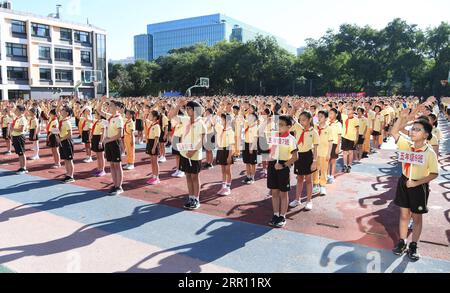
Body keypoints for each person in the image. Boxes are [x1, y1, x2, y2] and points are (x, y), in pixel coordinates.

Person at [391, 105, 439, 262]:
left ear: (426, 135)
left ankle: (413, 245)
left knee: (417, 218)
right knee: (404, 215)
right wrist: (402, 118)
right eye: (412, 129)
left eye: (417, 130)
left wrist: (417, 182)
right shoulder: (406, 145)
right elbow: (393, 132)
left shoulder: (429, 152)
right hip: (404, 182)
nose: (412, 132)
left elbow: (434, 173)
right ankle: (402, 241)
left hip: (419, 186)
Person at [168, 99, 206, 210]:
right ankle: (190, 197)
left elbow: (203, 140)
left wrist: (193, 151)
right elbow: (171, 117)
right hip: (184, 153)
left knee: (195, 176)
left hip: (194, 154)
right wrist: (178, 106)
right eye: (187, 108)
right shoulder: (185, 120)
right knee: (188, 175)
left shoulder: (200, 123)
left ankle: (196, 199)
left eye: (189, 109)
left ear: (195, 110)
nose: (187, 110)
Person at [267, 115, 298, 228]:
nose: (278, 126)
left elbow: (295, 156)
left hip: (283, 166)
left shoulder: (291, 139)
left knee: (283, 193)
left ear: (289, 127)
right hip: (273, 164)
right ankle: (275, 214)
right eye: (278, 124)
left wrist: (284, 165)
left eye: (281, 125)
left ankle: (282, 216)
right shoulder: (274, 136)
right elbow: (270, 150)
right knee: (274, 192)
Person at [290, 111, 319, 211]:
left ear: (309, 120)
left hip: (308, 156)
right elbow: (290, 118)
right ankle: (297, 199)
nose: (301, 122)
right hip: (298, 155)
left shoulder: (314, 132)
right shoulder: (298, 127)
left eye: (304, 120)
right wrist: (293, 108)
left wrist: (314, 161)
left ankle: (309, 201)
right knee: (299, 178)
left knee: (308, 180)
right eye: (300, 120)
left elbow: (315, 148)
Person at [97, 98, 125, 195]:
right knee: (112, 165)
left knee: (117, 165)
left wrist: (108, 140)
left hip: (114, 142)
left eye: (111, 105)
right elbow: (98, 110)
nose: (109, 107)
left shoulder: (119, 118)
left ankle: (119, 186)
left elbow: (120, 134)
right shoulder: (109, 117)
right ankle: (115, 184)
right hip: (108, 142)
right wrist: (102, 101)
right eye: (109, 105)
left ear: (116, 107)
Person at [313, 110, 333, 196]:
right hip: (315, 153)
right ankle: (315, 184)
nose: (319, 118)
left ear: (325, 118)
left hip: (324, 153)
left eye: (321, 116)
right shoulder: (314, 127)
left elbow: (330, 142)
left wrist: (329, 153)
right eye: (318, 116)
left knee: (324, 170)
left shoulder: (329, 128)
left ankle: (323, 186)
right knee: (315, 169)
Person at [215, 113, 235, 196]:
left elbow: (231, 145)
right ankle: (223, 186)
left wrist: (229, 156)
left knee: (228, 170)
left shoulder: (230, 131)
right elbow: (214, 122)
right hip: (221, 149)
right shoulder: (221, 128)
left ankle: (228, 187)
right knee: (223, 170)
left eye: (224, 119)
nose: (222, 121)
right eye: (222, 119)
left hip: (228, 151)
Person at [56, 102, 75, 183]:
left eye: (63, 110)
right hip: (62, 141)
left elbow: (70, 134)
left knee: (69, 159)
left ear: (67, 113)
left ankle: (71, 176)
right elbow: (56, 111)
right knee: (65, 160)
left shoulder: (67, 122)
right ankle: (68, 174)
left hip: (66, 141)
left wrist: (61, 139)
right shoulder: (61, 119)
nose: (61, 111)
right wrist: (60, 104)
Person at [341, 106, 359, 173]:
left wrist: (356, 138)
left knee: (351, 152)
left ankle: (349, 165)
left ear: (353, 111)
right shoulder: (344, 116)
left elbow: (357, 130)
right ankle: (345, 165)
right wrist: (344, 106)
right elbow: (340, 110)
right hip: (344, 137)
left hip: (352, 138)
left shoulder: (356, 119)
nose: (348, 111)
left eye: (350, 110)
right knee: (345, 152)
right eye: (348, 109)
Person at [11, 105, 28, 175]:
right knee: (19, 153)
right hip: (15, 136)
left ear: (21, 111)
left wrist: (13, 129)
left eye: (17, 110)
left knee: (21, 153)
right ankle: (21, 167)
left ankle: (24, 168)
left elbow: (21, 129)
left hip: (19, 137)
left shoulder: (22, 119)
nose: (15, 111)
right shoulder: (18, 118)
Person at [242, 112, 259, 185]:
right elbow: (241, 118)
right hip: (246, 143)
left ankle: (252, 177)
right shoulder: (247, 124)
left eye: (251, 117)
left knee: (252, 163)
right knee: (247, 162)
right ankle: (248, 176)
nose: (249, 118)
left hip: (252, 145)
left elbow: (255, 139)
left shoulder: (255, 127)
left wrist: (251, 148)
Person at [146, 110, 161, 185]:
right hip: (150, 142)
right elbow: (145, 119)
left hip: (154, 144)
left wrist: (154, 147)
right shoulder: (152, 124)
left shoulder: (157, 126)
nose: (149, 116)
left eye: (151, 115)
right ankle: (153, 175)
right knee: (152, 161)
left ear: (155, 117)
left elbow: (157, 138)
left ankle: (157, 177)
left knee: (155, 161)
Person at [327, 108, 342, 184]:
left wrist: (337, 147)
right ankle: (326, 175)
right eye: (329, 113)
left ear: (336, 115)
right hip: (327, 144)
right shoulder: (327, 122)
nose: (330, 115)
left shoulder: (338, 124)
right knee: (327, 160)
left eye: (332, 113)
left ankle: (332, 175)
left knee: (333, 160)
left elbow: (339, 136)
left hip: (334, 144)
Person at [90, 110, 107, 177]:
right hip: (95, 138)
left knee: (101, 155)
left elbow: (103, 133)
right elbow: (87, 120)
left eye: (96, 114)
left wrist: (100, 142)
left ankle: (102, 170)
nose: (94, 115)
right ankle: (99, 168)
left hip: (99, 138)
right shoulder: (96, 121)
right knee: (97, 155)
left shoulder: (103, 122)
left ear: (99, 115)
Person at [170, 109, 186, 178]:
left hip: (181, 139)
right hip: (176, 139)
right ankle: (177, 169)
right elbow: (174, 131)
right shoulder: (176, 124)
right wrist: (172, 138)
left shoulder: (185, 123)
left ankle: (182, 170)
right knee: (177, 156)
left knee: (182, 156)